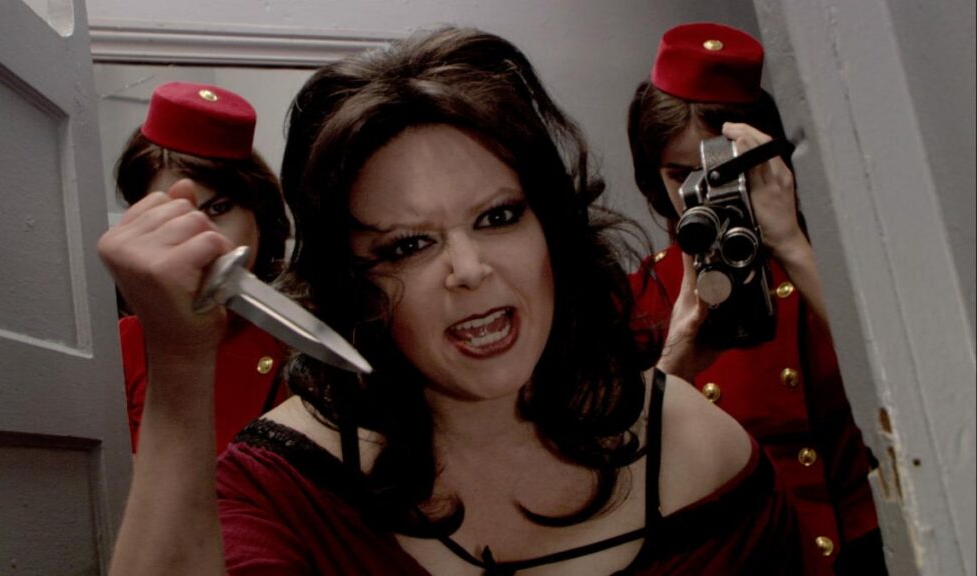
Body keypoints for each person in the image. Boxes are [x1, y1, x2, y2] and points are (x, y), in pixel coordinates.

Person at [100, 27, 803, 575]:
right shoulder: (285, 490)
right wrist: (178, 364)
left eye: (498, 217)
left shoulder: (707, 457)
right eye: (408, 245)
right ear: (353, 283)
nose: (468, 270)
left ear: (552, 228)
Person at [626, 22, 886, 574]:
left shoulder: (834, 258)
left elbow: (900, 383)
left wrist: (789, 241)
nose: (701, 193)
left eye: (719, 174)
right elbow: (630, 472)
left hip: (864, 550)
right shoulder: (641, 293)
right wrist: (676, 353)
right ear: (654, 177)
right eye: (680, 176)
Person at [114, 81, 291, 455]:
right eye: (171, 215)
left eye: (219, 208)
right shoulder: (119, 349)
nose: (200, 239)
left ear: (259, 216)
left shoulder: (300, 337)